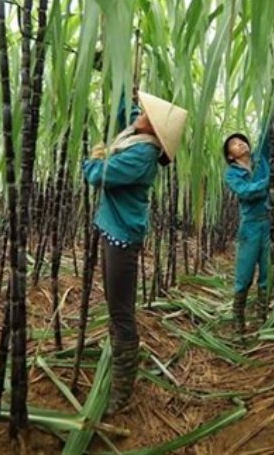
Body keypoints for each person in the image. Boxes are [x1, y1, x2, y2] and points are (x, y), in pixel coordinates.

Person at [83, 90, 187, 414]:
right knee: (118, 310)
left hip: (122, 239)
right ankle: (119, 363)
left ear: (154, 130)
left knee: (121, 314)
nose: (140, 114)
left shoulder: (141, 155)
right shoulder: (138, 134)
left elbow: (99, 176)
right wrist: (119, 76)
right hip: (114, 230)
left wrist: (93, 159)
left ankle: (122, 391)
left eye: (147, 114)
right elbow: (125, 111)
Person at [222, 121, 271, 335]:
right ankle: (238, 320)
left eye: (241, 140)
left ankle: (262, 319)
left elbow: (268, 131)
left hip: (269, 223)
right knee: (244, 275)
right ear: (231, 156)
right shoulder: (231, 174)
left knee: (268, 274)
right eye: (234, 143)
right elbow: (246, 193)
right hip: (250, 227)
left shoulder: (261, 159)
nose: (240, 143)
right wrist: (269, 182)